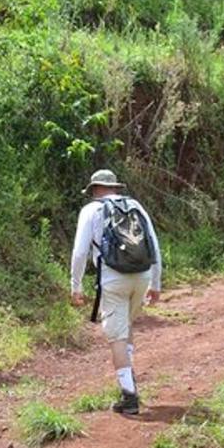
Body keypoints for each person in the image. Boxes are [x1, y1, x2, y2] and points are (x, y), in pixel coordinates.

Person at [70, 169, 162, 416]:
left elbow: (80, 253)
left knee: (117, 337)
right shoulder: (135, 205)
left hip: (112, 279)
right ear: (115, 188)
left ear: (95, 189)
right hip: (141, 276)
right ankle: (128, 377)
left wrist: (75, 286)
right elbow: (153, 244)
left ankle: (129, 397)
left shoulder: (91, 210)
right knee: (127, 325)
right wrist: (156, 283)